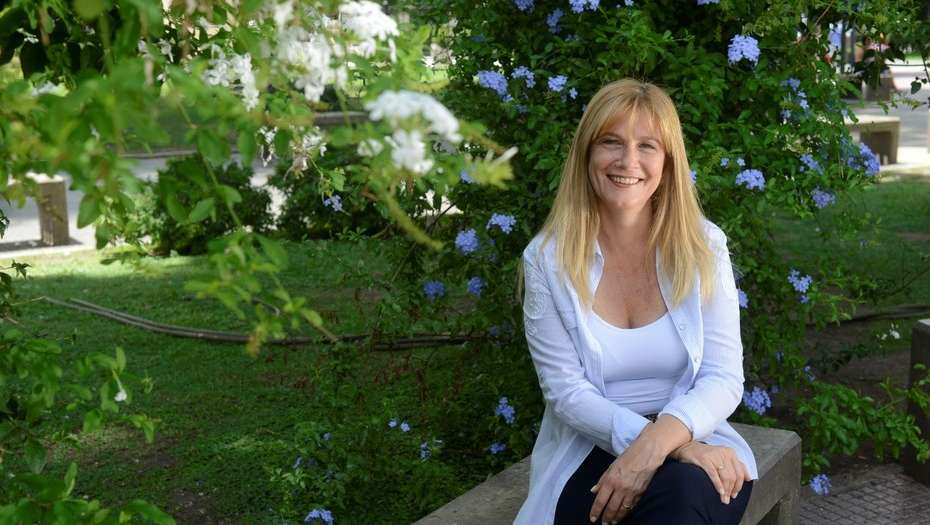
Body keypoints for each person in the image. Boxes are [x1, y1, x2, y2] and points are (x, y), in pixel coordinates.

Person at [514, 78, 757, 525]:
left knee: (685, 496)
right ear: (586, 154)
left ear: (668, 161)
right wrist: (662, 446)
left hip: (693, 436)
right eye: (611, 142)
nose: (628, 161)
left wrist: (662, 442)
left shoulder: (704, 247)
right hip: (589, 448)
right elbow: (566, 392)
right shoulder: (547, 259)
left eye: (647, 146)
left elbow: (723, 376)